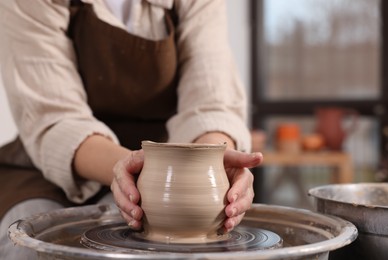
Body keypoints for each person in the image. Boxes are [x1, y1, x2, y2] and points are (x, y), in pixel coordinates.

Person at [0, 0, 262, 258]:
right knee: (32, 240)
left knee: (151, 244)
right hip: (48, 163)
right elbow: (55, 117)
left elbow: (211, 100)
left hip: (162, 162)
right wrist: (148, 174)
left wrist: (212, 159)